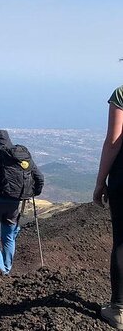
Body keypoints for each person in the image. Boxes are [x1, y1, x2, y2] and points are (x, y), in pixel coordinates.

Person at [0, 129, 44, 275]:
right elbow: (39, 177)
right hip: (14, 202)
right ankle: (6, 269)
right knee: (9, 236)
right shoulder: (19, 154)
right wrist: (34, 192)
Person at [94, 85, 123, 329]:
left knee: (122, 243)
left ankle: (118, 310)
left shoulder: (122, 93)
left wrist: (99, 181)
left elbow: (113, 142)